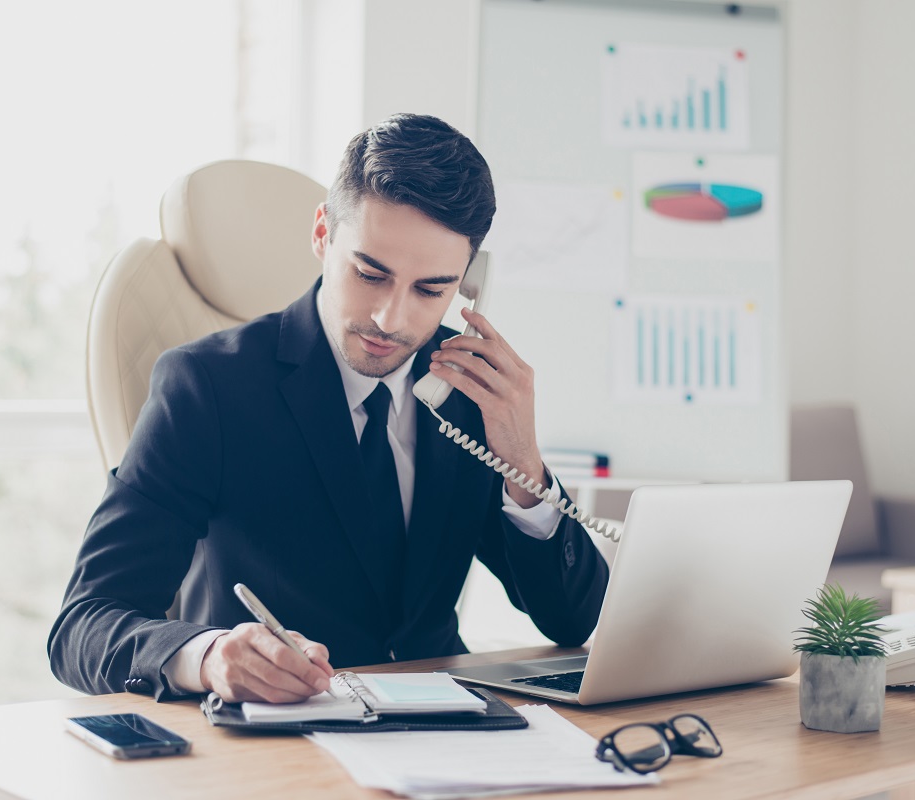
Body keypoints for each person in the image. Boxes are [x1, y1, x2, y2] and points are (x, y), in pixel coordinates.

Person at [48, 113, 609, 703]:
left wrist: (523, 462)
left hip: (444, 727)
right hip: (283, 738)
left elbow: (572, 621)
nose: (392, 320)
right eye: (371, 273)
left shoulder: (469, 394)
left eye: (430, 290)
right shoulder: (207, 386)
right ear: (322, 234)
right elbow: (82, 627)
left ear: (468, 283)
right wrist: (208, 657)